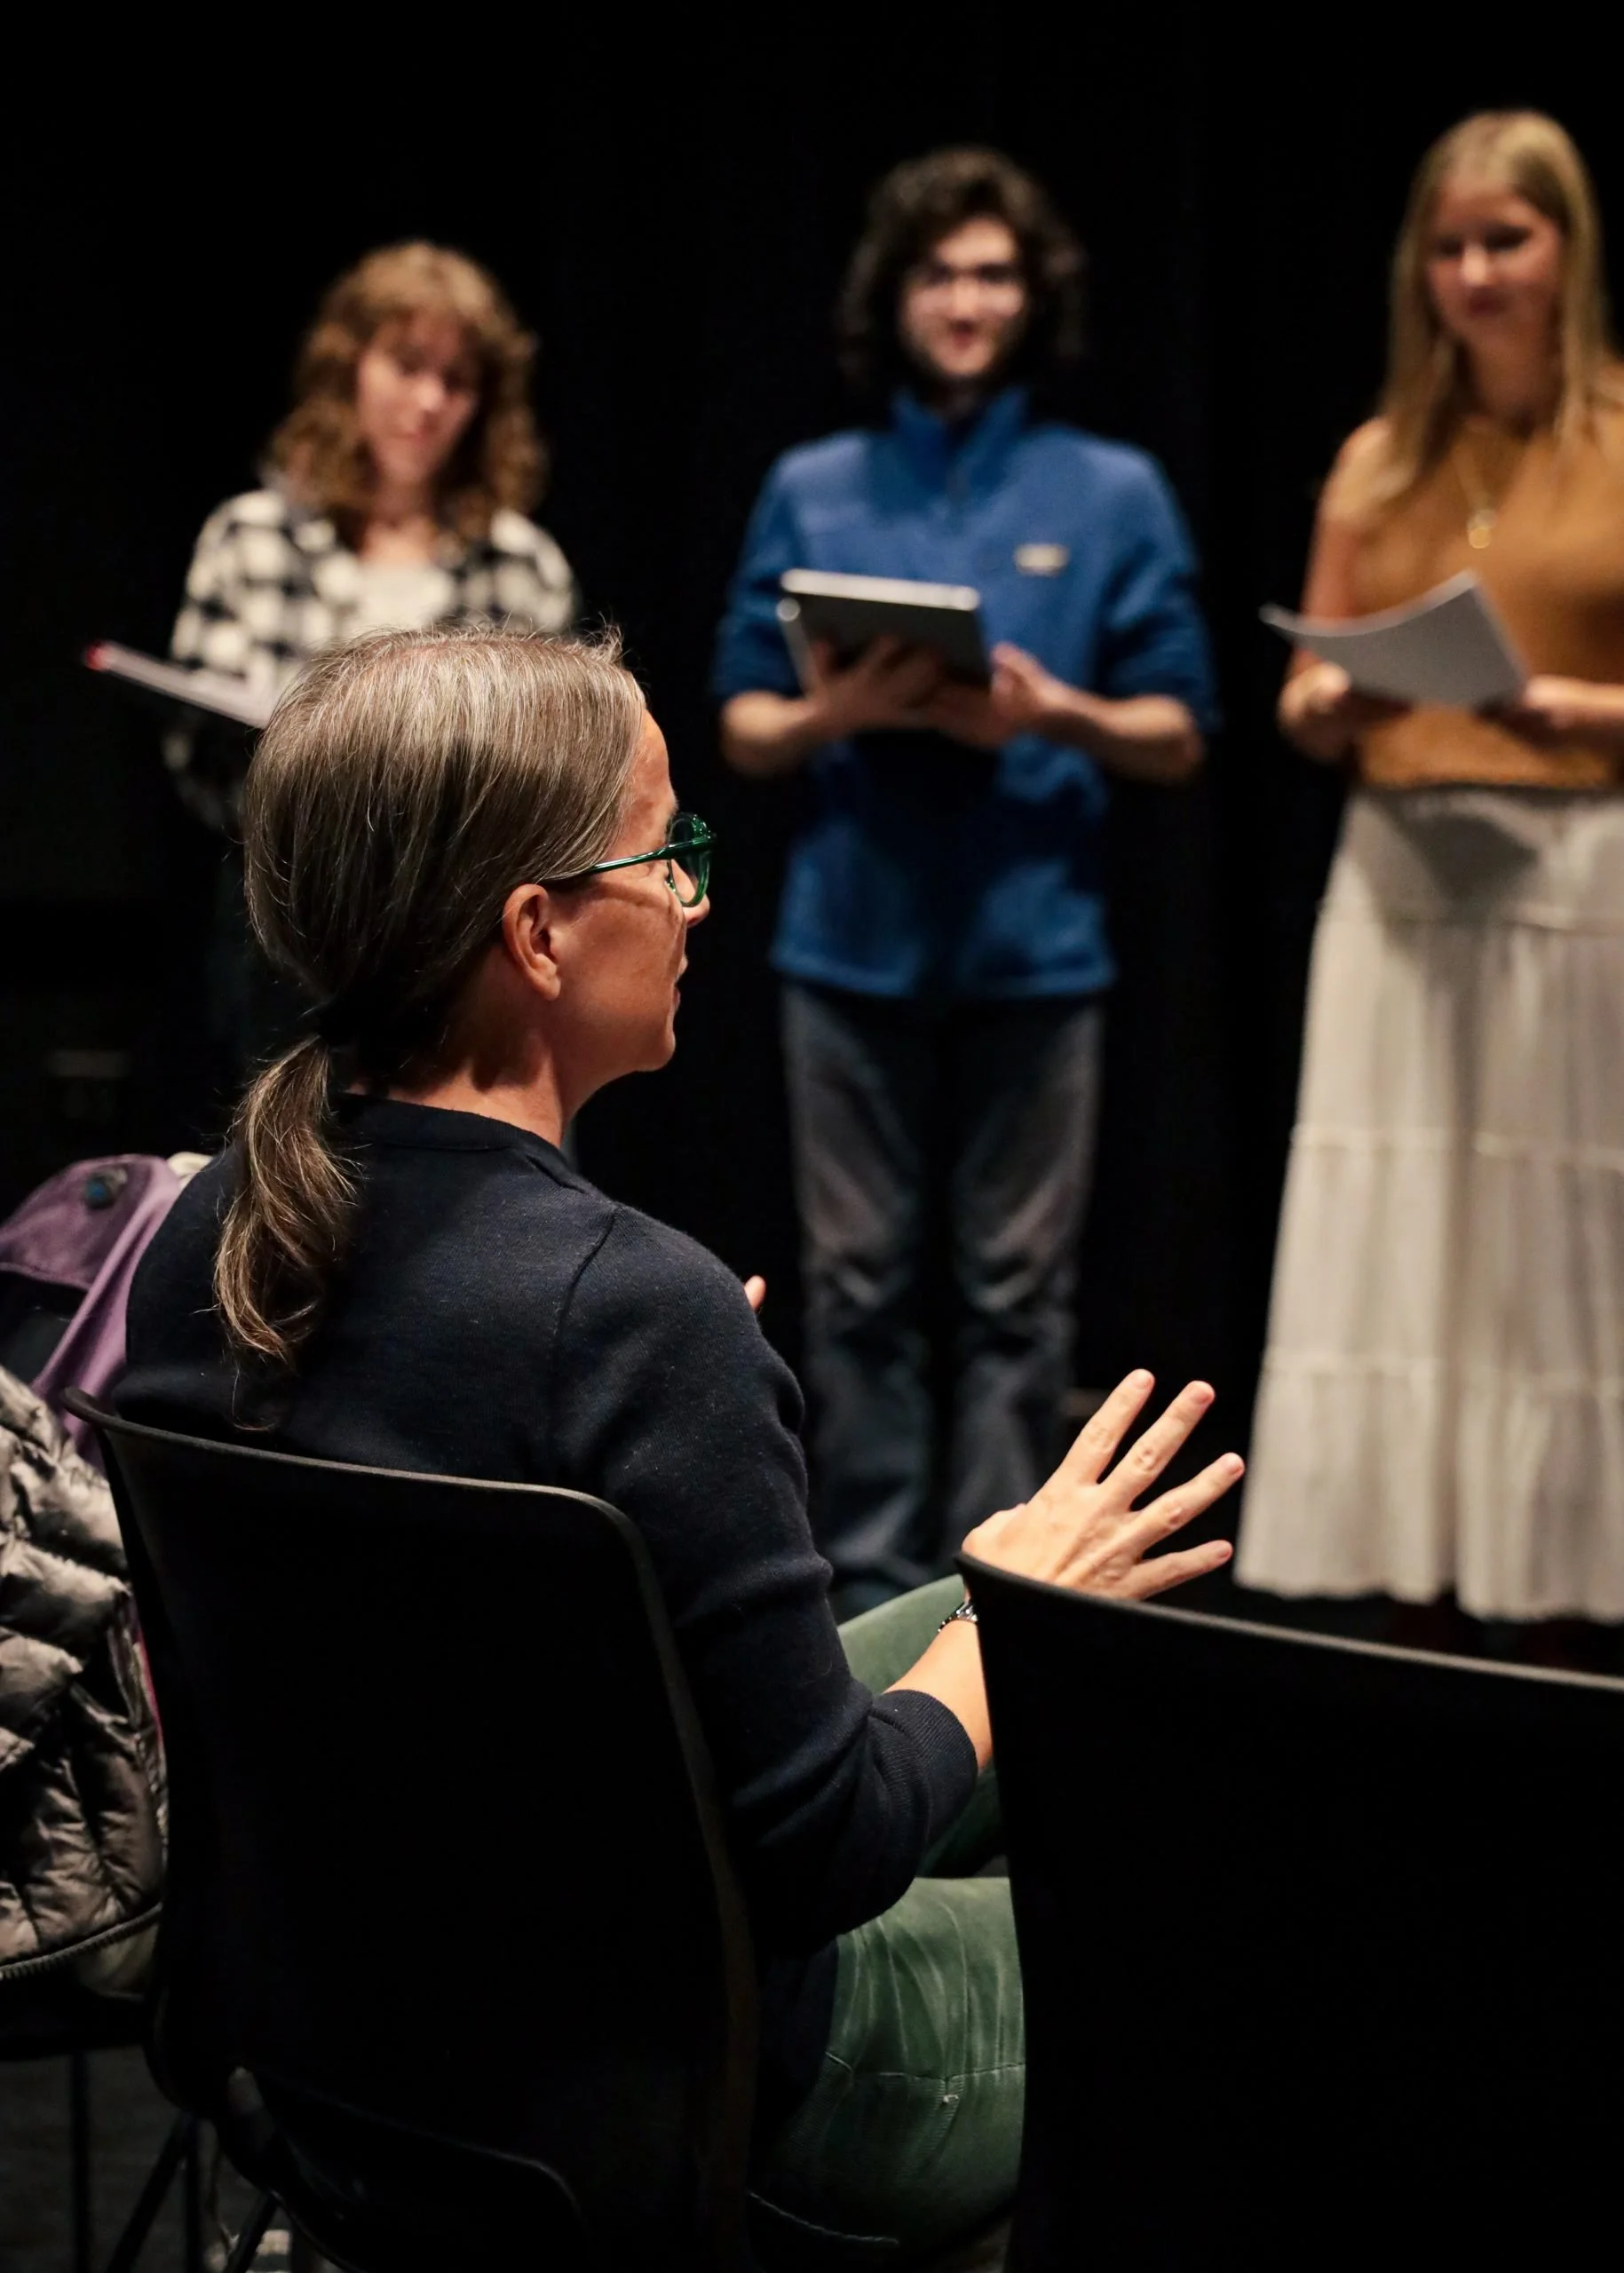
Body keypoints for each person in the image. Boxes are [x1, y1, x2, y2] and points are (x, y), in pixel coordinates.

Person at [115, 625, 1241, 2260]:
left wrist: (688, 1406)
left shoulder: (210, 1231)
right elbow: (826, 1848)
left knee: (1037, 1623)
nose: (697, 898)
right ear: (537, 934)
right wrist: (1009, 1602)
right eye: (669, 853)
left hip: (354, 2037)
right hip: (681, 2070)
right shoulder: (630, 1313)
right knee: (1176, 1828)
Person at [713, 147, 1216, 1616]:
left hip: (1032, 947)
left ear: (1030, 296)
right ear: (896, 293)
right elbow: (741, 722)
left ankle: (996, 1599)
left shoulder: (1106, 488)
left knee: (1015, 1306)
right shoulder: (813, 482)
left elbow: (1179, 730)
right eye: (937, 272)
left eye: (991, 272)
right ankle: (876, 1600)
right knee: (856, 1300)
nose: (963, 299)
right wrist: (840, 713)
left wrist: (1045, 712)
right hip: (848, 943)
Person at [1239, 114, 1624, 1656]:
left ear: (1563, 250)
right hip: (1398, 868)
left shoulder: (1611, 436)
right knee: (1400, 1215)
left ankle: (1562, 1584)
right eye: (1448, 246)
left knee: (1549, 1226)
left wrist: (1573, 711)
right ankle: (1395, 1572)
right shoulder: (1379, 453)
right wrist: (1331, 702)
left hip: (1568, 863)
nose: (1472, 273)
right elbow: (1296, 682)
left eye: (1503, 242)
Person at [167, 242, 576, 1066]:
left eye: (457, 381)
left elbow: (556, 773)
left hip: (463, 931)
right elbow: (200, 753)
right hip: (286, 927)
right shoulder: (251, 537)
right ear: (350, 367)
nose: (428, 401)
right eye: (406, 365)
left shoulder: (520, 563)